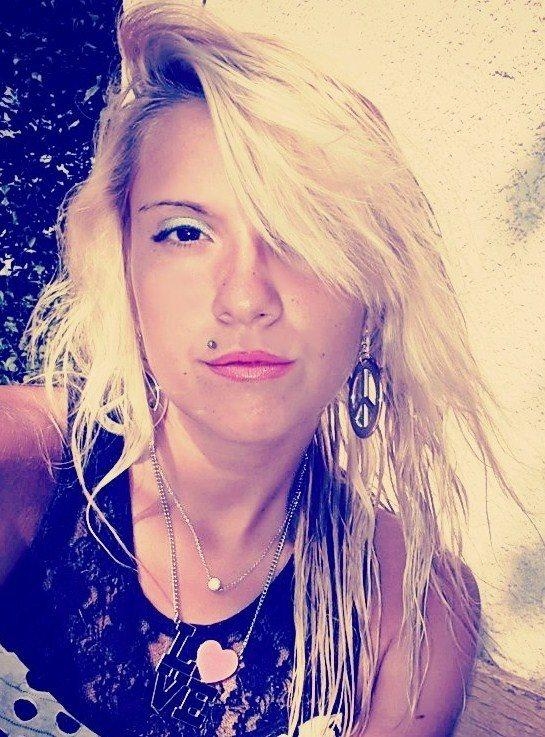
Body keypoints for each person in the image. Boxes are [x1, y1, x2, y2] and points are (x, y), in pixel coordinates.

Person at [4, 0, 529, 734]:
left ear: (374, 294)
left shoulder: (413, 609)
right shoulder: (21, 464)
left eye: (305, 233)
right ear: (123, 269)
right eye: (184, 232)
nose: (246, 298)